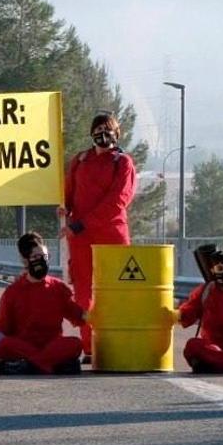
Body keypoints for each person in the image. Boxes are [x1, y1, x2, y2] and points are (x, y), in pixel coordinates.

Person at [59, 112, 136, 357]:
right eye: (98, 130)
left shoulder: (123, 162)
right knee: (83, 292)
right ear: (91, 133)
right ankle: (89, 346)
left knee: (116, 292)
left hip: (112, 236)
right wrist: (64, 209)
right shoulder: (80, 161)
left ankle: (117, 344)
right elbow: (68, 194)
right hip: (81, 239)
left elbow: (118, 201)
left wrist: (82, 224)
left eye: (108, 129)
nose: (103, 135)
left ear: (117, 133)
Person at [0, 233, 87, 375]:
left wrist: (96, 308)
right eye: (36, 257)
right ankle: (49, 364)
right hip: (24, 346)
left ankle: (31, 365)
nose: (42, 261)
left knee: (76, 344)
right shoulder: (12, 292)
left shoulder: (58, 288)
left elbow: (79, 317)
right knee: (2, 345)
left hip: (52, 345)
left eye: (45, 256)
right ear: (25, 260)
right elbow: (2, 328)